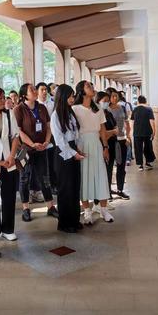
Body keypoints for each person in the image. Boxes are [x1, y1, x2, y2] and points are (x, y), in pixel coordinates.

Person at [13, 83, 58, 222]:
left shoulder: (42, 107)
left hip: (41, 148)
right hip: (26, 150)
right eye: (31, 89)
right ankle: (26, 208)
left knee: (45, 177)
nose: (34, 90)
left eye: (34, 88)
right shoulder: (19, 109)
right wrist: (32, 144)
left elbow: (48, 126)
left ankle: (50, 206)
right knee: (24, 178)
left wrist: (46, 141)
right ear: (24, 95)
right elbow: (19, 131)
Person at [73, 80, 114, 225]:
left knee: (101, 174)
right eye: (88, 86)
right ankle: (87, 211)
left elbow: (102, 129)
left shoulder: (97, 108)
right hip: (82, 144)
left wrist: (105, 147)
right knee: (84, 176)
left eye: (91, 85)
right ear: (81, 91)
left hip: (96, 143)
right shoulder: (75, 108)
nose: (91, 87)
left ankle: (103, 209)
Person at [0, 87, 21, 241]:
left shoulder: (8, 114)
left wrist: (12, 156)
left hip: (8, 160)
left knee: (9, 195)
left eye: (3, 97)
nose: (3, 100)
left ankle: (8, 228)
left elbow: (15, 136)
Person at [50, 84, 85, 233]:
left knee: (75, 188)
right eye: (70, 96)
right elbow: (59, 140)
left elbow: (75, 134)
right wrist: (73, 153)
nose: (73, 98)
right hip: (63, 154)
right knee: (66, 189)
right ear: (63, 96)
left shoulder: (70, 113)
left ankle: (74, 221)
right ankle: (65, 224)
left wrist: (79, 149)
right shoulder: (55, 115)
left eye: (73, 96)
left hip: (73, 150)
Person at [94, 91, 118, 202]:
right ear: (97, 101)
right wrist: (112, 132)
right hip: (102, 146)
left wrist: (112, 132)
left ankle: (107, 193)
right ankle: (100, 198)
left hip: (111, 145)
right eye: (104, 101)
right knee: (102, 172)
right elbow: (101, 133)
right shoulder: (95, 114)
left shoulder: (108, 113)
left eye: (108, 101)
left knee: (109, 171)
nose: (107, 103)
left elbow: (116, 128)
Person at [107, 90, 131, 199]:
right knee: (109, 166)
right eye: (112, 96)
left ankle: (120, 189)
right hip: (111, 140)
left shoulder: (122, 107)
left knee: (121, 166)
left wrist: (128, 137)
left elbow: (127, 123)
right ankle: (107, 192)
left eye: (116, 96)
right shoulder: (106, 110)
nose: (115, 98)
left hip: (122, 139)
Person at [131, 95, 156, 171]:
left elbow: (132, 121)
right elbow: (151, 121)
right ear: (145, 101)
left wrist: (133, 131)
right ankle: (148, 163)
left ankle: (140, 165)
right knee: (148, 147)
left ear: (138, 101)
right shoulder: (149, 109)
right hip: (147, 132)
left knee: (138, 148)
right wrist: (154, 131)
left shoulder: (135, 109)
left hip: (137, 132)